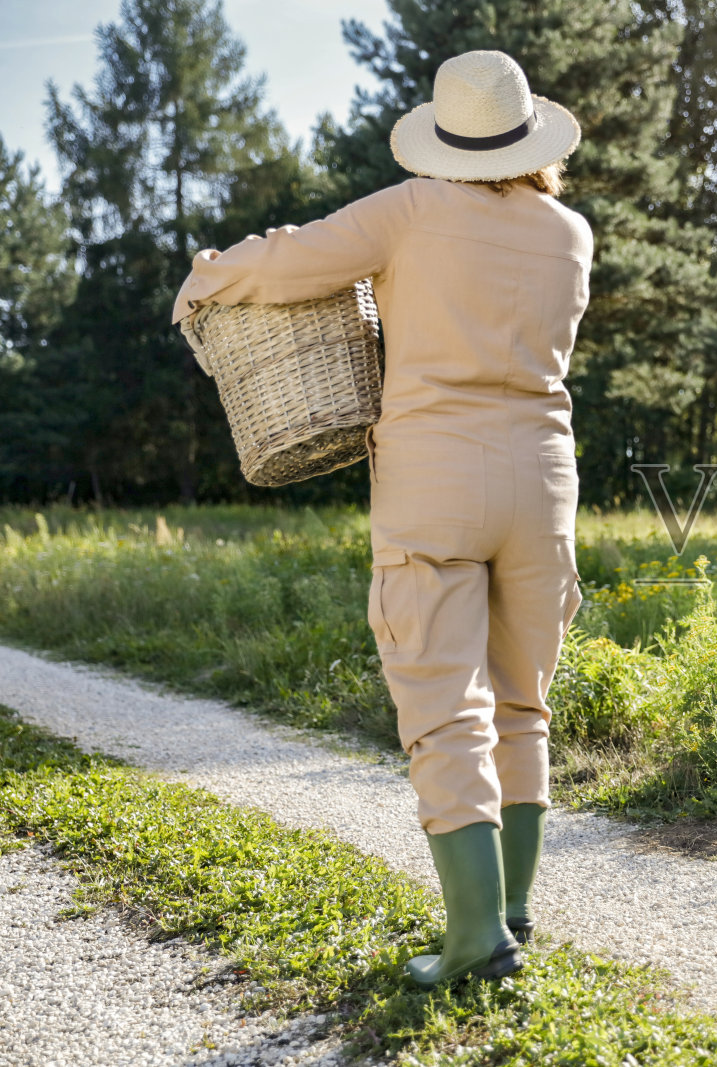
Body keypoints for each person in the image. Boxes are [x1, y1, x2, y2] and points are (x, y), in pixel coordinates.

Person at [172, 50, 591, 987]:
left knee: (445, 706)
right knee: (522, 701)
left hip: (435, 479)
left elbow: (292, 259)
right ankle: (514, 912)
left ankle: (476, 936)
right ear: (531, 139)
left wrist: (205, 279)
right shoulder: (571, 233)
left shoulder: (410, 210)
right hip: (543, 479)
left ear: (445, 140)